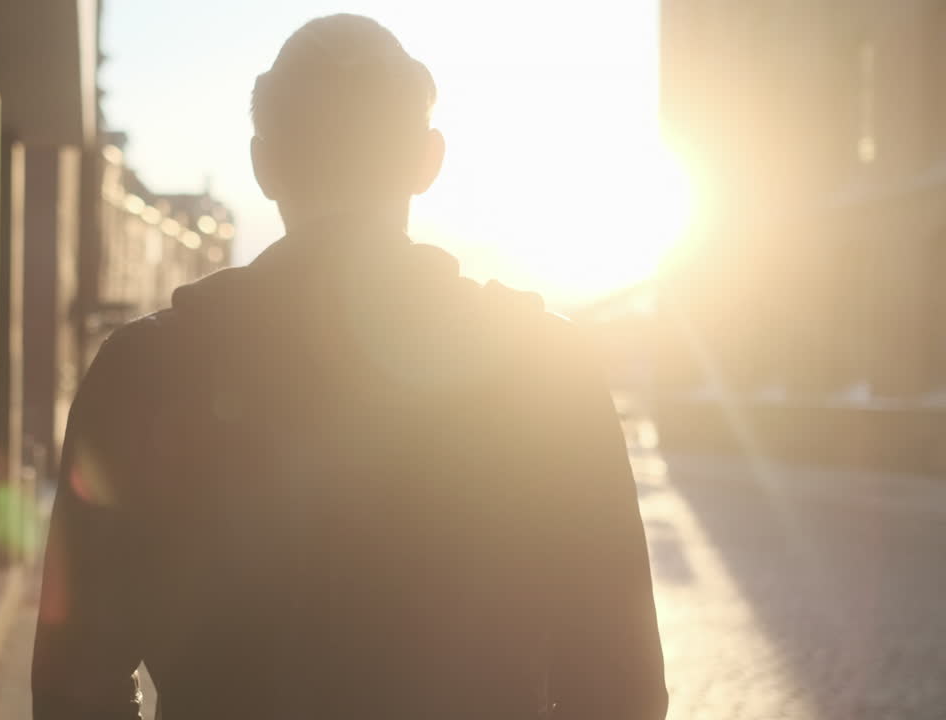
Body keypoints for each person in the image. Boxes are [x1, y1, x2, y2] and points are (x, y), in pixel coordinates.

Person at [33, 14, 667, 720]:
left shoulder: (144, 370)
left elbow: (74, 683)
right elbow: (620, 688)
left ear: (264, 165)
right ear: (428, 161)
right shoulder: (546, 368)